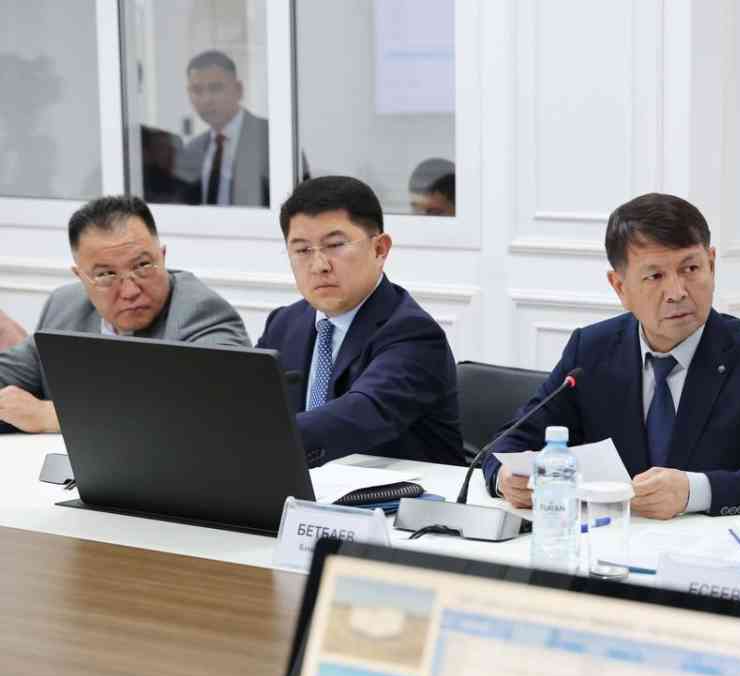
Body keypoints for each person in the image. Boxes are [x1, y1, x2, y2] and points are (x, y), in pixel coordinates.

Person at [482, 192, 740, 520]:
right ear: (620, 287)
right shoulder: (590, 350)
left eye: (690, 269)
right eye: (655, 276)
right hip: (606, 545)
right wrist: (505, 478)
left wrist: (695, 492)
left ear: (711, 265)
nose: (677, 292)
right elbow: (508, 444)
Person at [258, 175, 463, 467]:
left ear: (380, 249)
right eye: (302, 250)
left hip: (403, 494)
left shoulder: (413, 333)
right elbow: (245, 400)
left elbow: (362, 412)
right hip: (303, 488)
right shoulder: (284, 323)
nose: (319, 265)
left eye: (335, 245)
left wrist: (258, 440)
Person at [0, 195, 249, 433]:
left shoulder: (201, 312)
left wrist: (54, 416)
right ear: (81, 277)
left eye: (142, 266)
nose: (130, 291)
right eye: (106, 275)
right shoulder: (65, 306)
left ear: (162, 257)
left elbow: (220, 407)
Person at [177, 50, 270, 207]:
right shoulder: (193, 149)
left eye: (215, 88)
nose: (206, 99)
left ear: (238, 90)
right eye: (197, 90)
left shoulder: (270, 138)